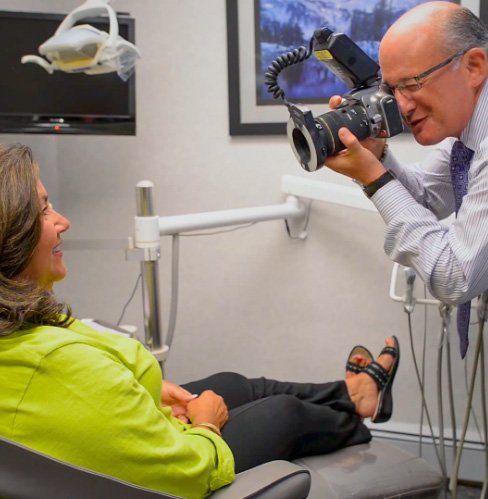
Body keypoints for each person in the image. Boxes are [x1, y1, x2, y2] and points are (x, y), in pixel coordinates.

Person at [0, 143, 400, 499]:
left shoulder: (19, 329)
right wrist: (205, 427)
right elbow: (187, 474)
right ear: (13, 237)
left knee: (234, 384)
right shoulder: (53, 363)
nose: (63, 220)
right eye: (45, 209)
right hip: (162, 470)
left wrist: (149, 394)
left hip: (112, 430)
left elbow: (81, 402)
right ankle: (355, 425)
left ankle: (354, 395)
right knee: (283, 414)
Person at [324, 1, 488, 357]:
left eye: (412, 83)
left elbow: (454, 276)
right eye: (393, 89)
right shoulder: (468, 137)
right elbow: (426, 197)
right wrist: (375, 156)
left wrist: (374, 179)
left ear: (473, 67)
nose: (402, 105)